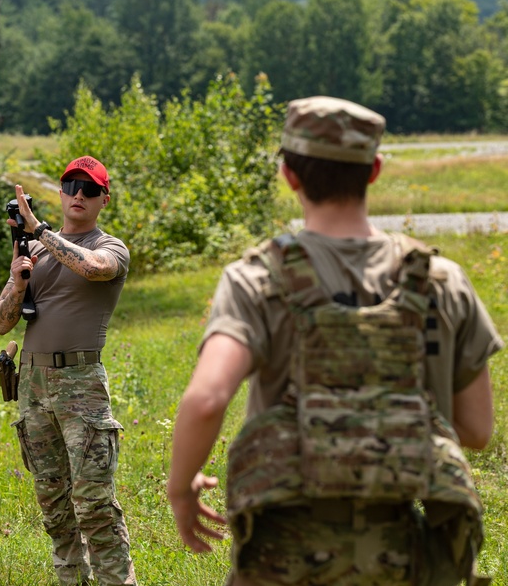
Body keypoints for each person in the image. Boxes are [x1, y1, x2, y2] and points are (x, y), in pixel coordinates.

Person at [166, 96, 501, 585]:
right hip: (403, 559)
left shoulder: (256, 280)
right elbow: (475, 429)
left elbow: (206, 398)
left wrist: (181, 490)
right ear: (374, 170)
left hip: (282, 560)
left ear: (290, 176)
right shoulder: (441, 281)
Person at [0, 156, 137, 586]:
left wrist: (39, 229)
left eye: (89, 189)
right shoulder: (33, 252)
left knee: (94, 506)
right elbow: (1, 320)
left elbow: (94, 269)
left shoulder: (110, 246)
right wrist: (19, 282)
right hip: (33, 388)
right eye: (71, 185)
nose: (78, 195)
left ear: (102, 200)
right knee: (54, 507)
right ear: (60, 192)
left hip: (82, 387)